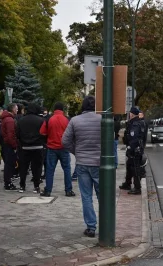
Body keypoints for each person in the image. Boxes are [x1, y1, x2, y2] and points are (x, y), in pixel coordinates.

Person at [62, 96, 101, 238]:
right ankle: (106, 225)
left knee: (86, 196)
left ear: (83, 107)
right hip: (99, 163)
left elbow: (65, 141)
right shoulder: (101, 120)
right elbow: (110, 140)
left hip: (82, 163)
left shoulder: (74, 120)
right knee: (102, 196)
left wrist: (76, 151)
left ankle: (91, 227)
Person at [39, 102, 75, 197]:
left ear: (54, 109)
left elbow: (42, 132)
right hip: (64, 148)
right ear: (62, 109)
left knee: (50, 170)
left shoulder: (48, 119)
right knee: (67, 169)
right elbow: (72, 134)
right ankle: (68, 190)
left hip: (51, 148)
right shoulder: (67, 120)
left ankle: (48, 191)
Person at [16, 103, 44, 193]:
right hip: (38, 146)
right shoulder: (41, 120)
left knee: (23, 167)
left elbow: (17, 134)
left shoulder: (21, 120)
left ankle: (22, 186)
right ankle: (36, 186)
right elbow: (44, 133)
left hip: (25, 147)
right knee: (37, 168)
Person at [123, 107, 144, 195]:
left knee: (135, 169)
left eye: (130, 113)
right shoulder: (134, 122)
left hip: (134, 150)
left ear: (132, 114)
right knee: (129, 166)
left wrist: (130, 147)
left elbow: (134, 138)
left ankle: (137, 188)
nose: (129, 114)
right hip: (133, 149)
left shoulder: (135, 124)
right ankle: (127, 184)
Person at [1, 103, 18, 191]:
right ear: (12, 109)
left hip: (6, 144)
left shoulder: (6, 119)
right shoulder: (10, 120)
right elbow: (11, 135)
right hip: (9, 145)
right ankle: (8, 183)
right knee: (9, 164)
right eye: (16, 109)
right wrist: (14, 146)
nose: (17, 110)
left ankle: (8, 182)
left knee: (9, 164)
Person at [138, 111, 148, 177]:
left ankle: (142, 172)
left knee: (141, 157)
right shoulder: (142, 122)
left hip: (141, 142)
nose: (139, 116)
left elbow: (143, 134)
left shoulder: (142, 123)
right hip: (142, 142)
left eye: (140, 115)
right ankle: (142, 171)